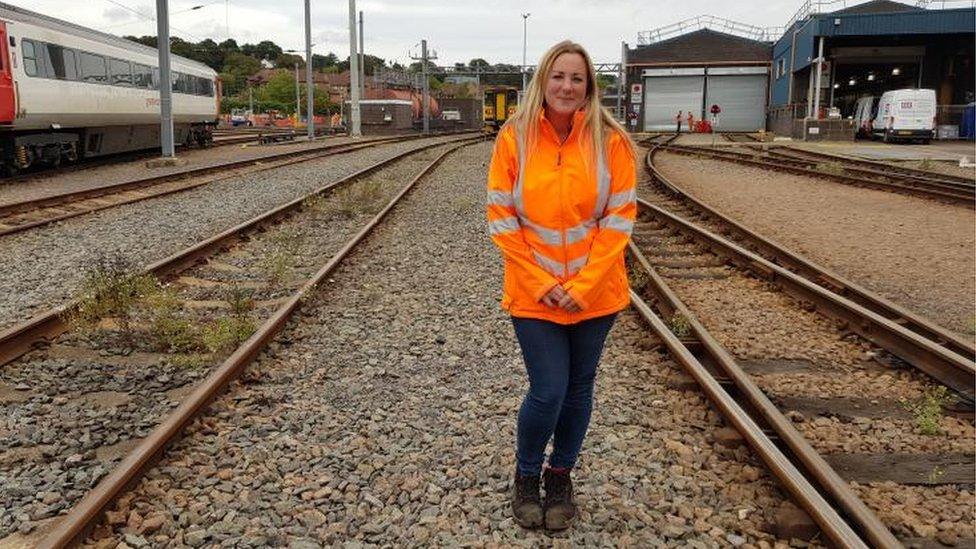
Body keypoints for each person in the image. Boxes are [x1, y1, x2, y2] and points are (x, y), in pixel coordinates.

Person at [486, 40, 636, 531]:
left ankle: (560, 476)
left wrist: (586, 284)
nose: (567, 87)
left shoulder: (611, 142)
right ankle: (526, 475)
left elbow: (619, 219)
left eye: (576, 79)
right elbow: (502, 217)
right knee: (548, 390)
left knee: (578, 391)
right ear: (542, 83)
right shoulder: (514, 137)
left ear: (589, 86)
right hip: (535, 295)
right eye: (558, 77)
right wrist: (542, 281)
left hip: (596, 295)